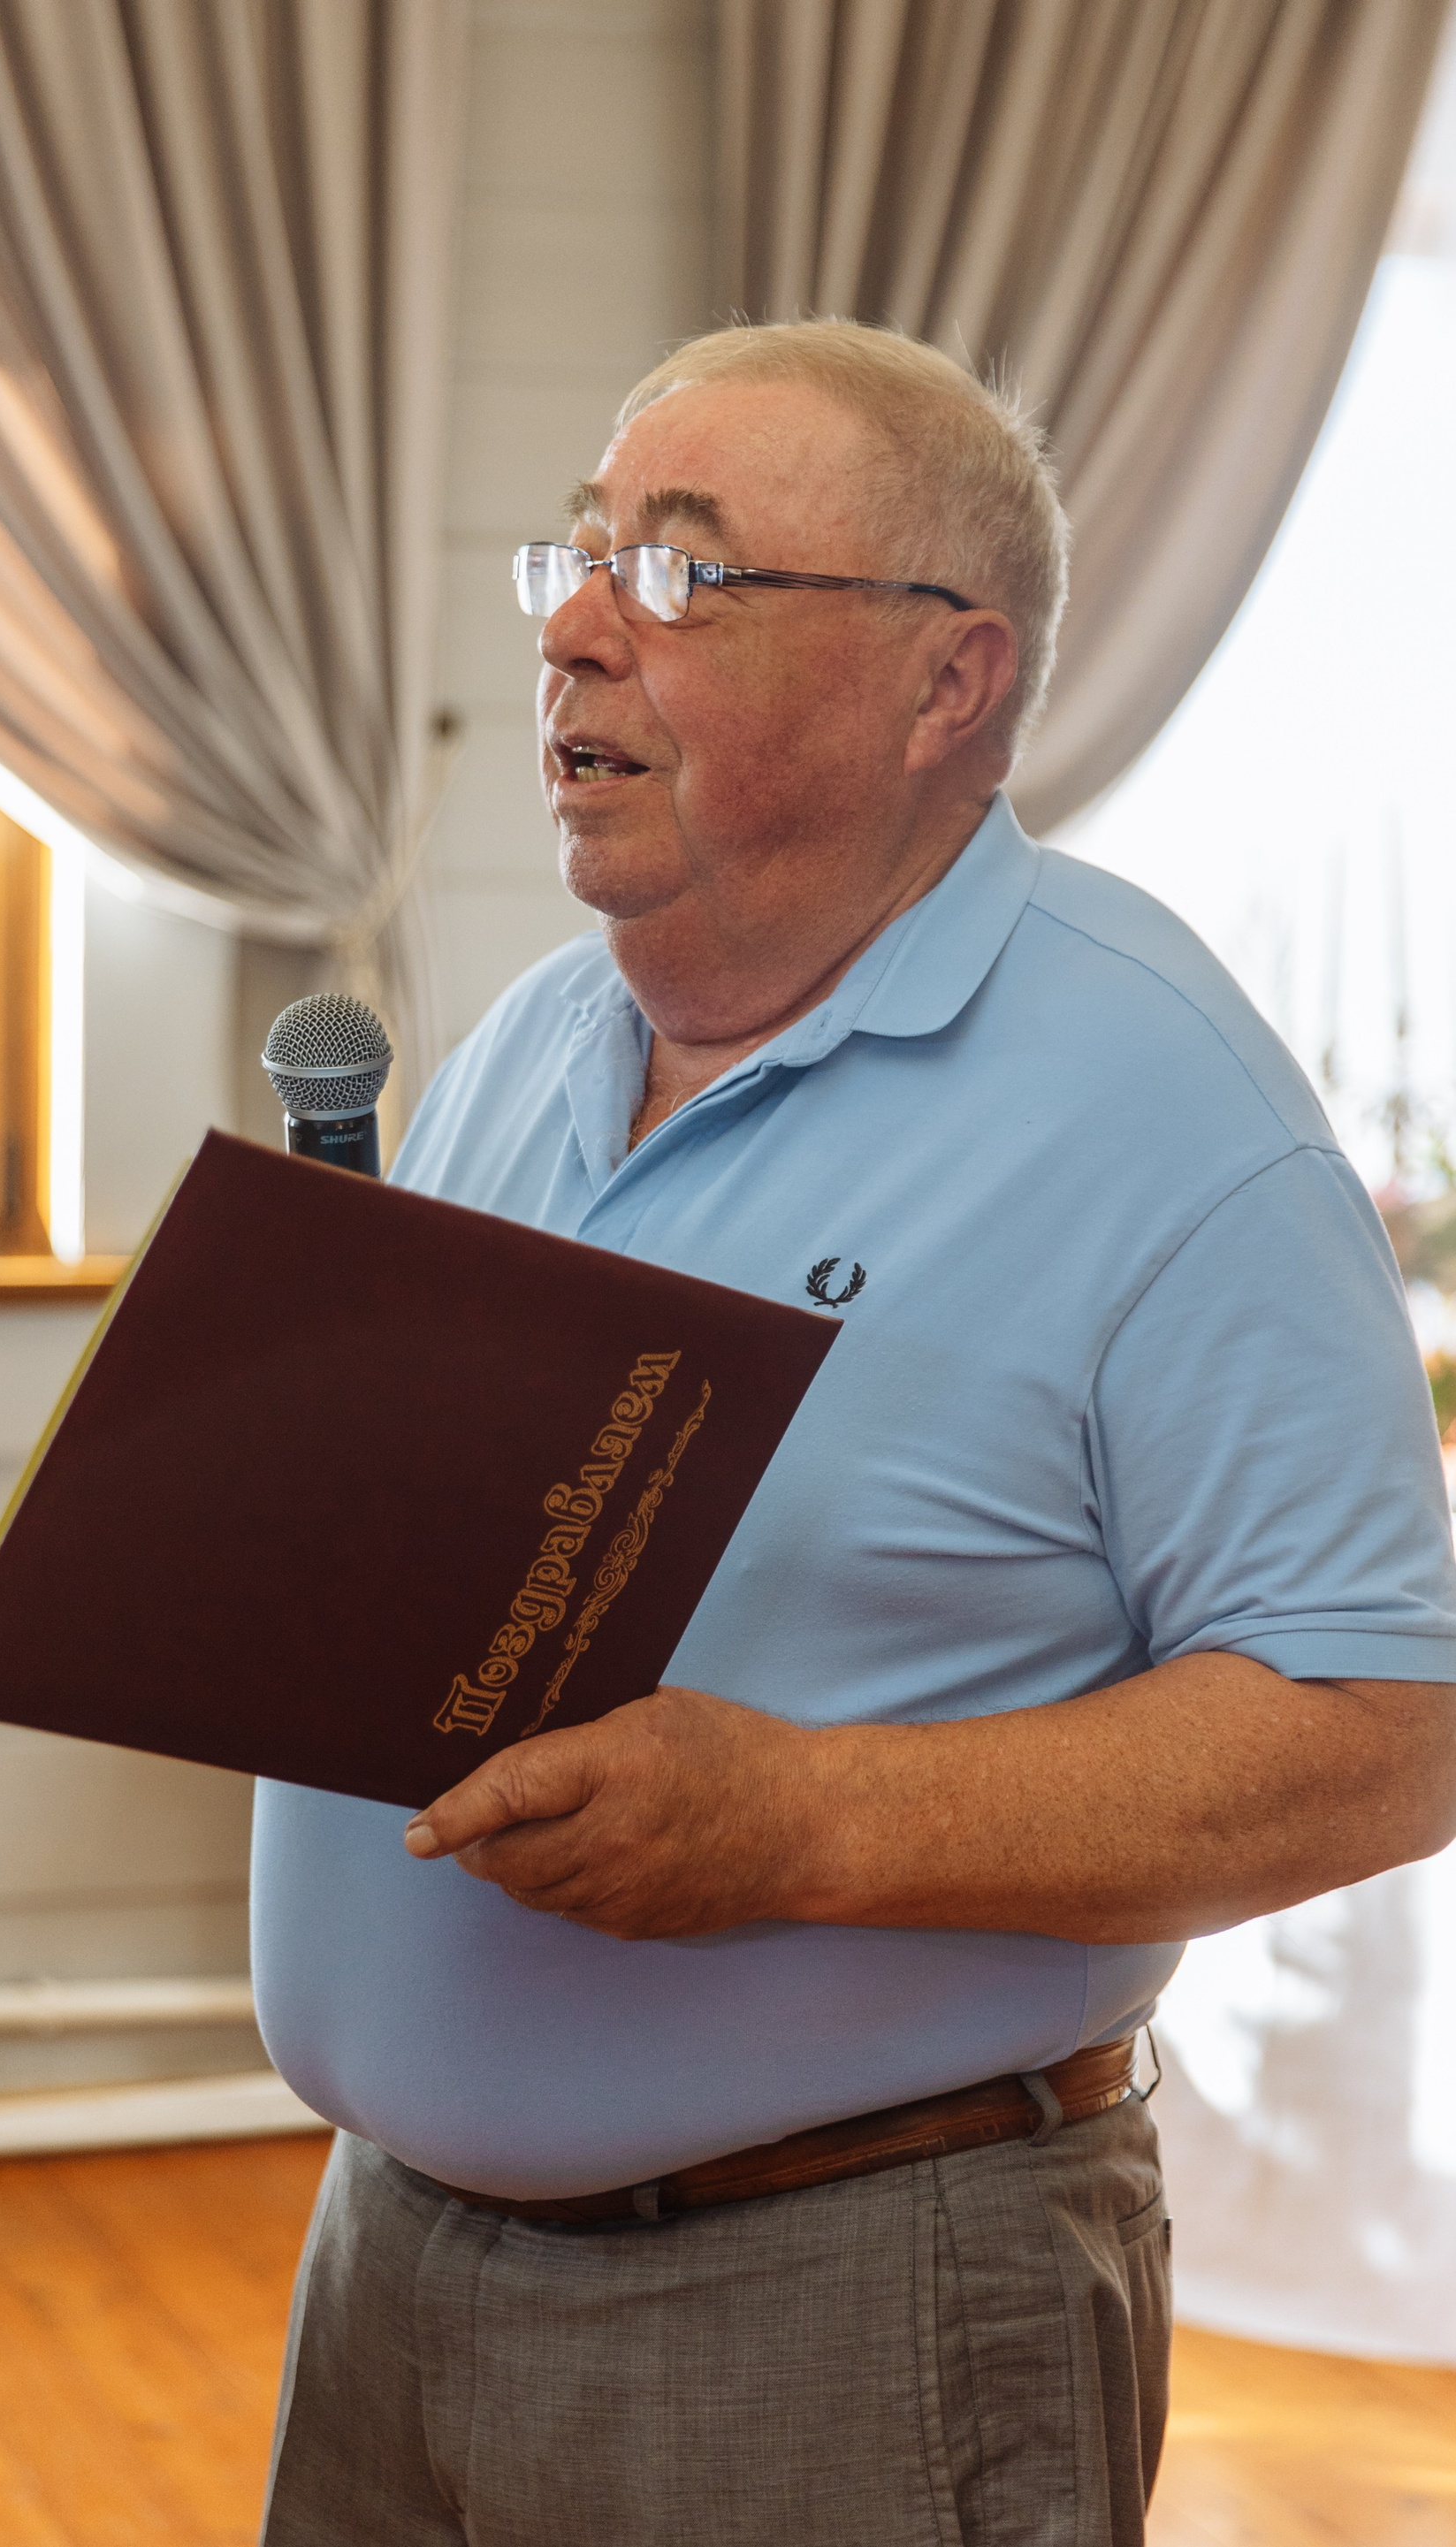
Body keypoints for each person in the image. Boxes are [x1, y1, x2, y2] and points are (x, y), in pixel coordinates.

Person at [254, 321, 1456, 2547]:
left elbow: (1386, 1731)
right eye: (580, 554)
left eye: (684, 572)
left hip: (843, 2297)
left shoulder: (1163, 1102)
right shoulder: (528, 1043)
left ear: (947, 682)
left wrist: (805, 1820)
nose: (580, 625)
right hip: (383, 2262)